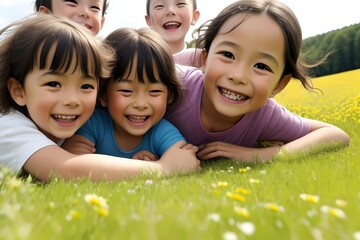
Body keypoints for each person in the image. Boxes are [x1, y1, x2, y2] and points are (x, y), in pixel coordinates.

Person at [0, 14, 201, 182]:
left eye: (86, 86)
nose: (73, 100)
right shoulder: (9, 126)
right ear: (18, 91)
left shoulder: (73, 127)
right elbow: (65, 169)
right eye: (53, 84)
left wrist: (137, 162)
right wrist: (163, 168)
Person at [164, 0, 350, 163]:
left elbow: (335, 135)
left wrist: (261, 154)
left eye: (261, 66)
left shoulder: (265, 116)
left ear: (279, 85)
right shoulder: (175, 84)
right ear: (204, 60)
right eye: (228, 54)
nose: (238, 76)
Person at [62, 27, 199, 163]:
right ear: (103, 94)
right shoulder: (93, 123)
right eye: (126, 91)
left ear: (169, 94)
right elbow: (76, 160)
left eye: (154, 91)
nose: (140, 104)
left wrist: (157, 161)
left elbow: (184, 160)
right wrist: (143, 167)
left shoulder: (161, 131)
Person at [144, 0, 202, 67]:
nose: (170, 11)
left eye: (180, 4)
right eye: (159, 6)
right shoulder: (137, 60)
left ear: (194, 16)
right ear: (149, 20)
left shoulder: (204, 59)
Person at [34, 0, 108, 35]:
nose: (85, 13)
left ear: (101, 22)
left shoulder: (103, 60)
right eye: (72, 2)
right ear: (45, 14)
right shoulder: (33, 52)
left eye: (95, 7)